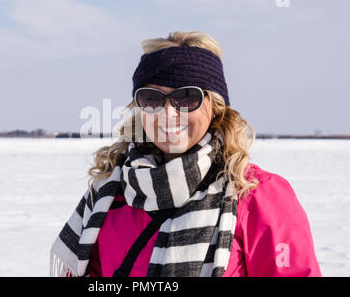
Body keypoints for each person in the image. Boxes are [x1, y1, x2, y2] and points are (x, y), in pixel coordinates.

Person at [50, 31, 322, 277]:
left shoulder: (255, 194)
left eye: (186, 97)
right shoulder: (110, 195)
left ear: (215, 106)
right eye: (152, 99)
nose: (168, 114)